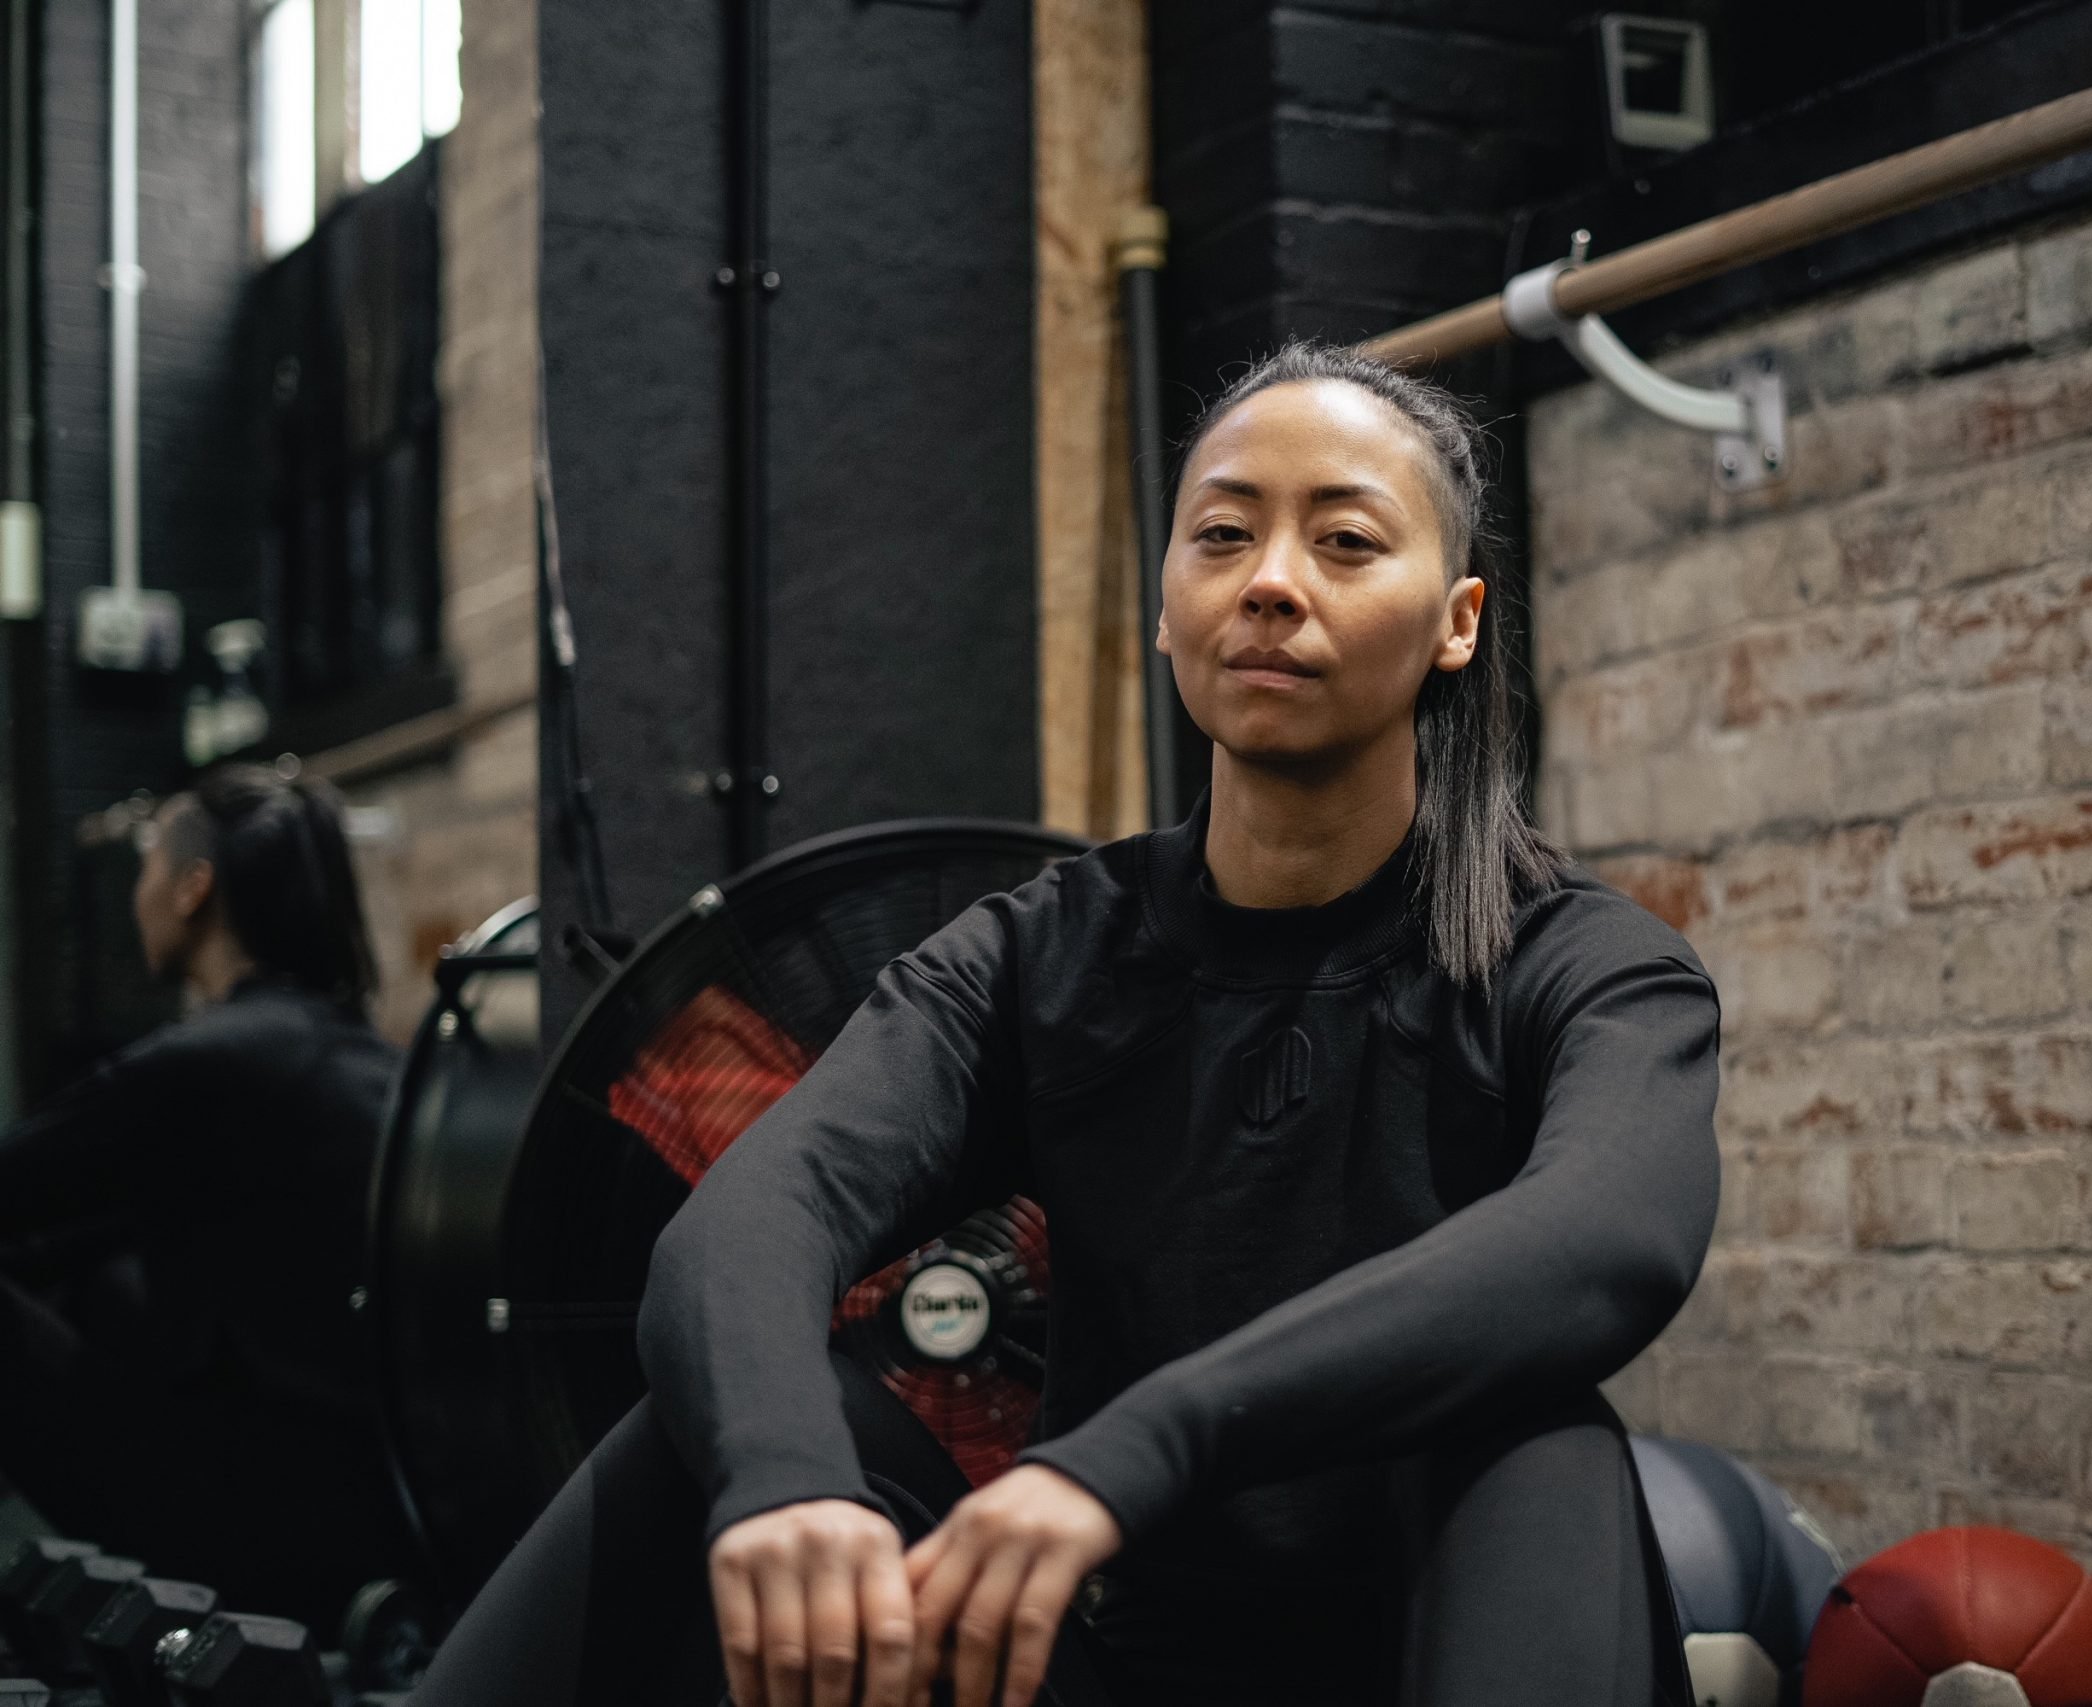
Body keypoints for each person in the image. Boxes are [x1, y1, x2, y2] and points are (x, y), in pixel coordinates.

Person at [412, 343, 1723, 1707]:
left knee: (1539, 1441)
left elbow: (1607, 1232)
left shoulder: (1583, 962)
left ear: (1457, 621)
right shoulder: (1049, 954)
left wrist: (1140, 1443)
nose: (1271, 580)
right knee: (717, 1433)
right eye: (1222, 534)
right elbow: (752, 1219)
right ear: (1167, 605)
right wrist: (783, 1475)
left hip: (1451, 1646)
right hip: (1114, 1667)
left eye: (1343, 541)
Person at [0, 763, 410, 1625]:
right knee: (94, 1277)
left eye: (148, 865)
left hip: (247, 1519)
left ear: (193, 889)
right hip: (364, 1510)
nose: (136, 892)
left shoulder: (210, 1063)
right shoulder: (355, 1054)